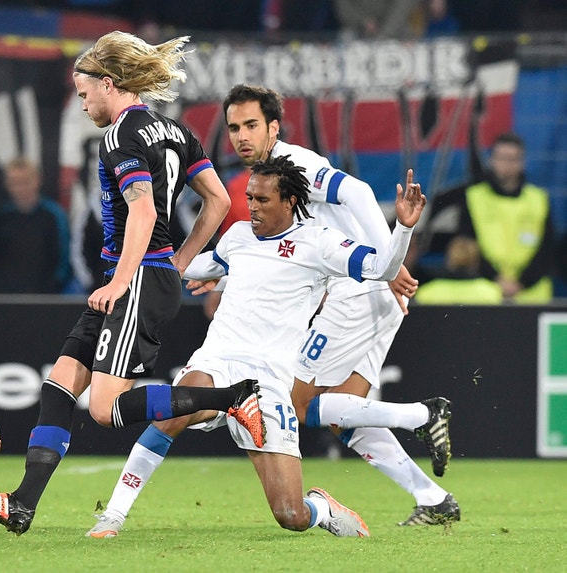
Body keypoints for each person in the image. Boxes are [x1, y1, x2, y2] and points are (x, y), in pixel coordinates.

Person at [88, 84, 457, 538]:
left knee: (291, 513)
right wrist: (143, 265)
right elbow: (203, 266)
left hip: (280, 370)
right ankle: (113, 515)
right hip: (221, 361)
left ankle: (327, 503)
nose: (252, 208)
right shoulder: (239, 235)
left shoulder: (318, 237)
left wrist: (400, 231)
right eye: (249, 199)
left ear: (290, 200)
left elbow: (375, 253)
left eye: (261, 201)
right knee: (172, 413)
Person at [0, 31, 271, 536]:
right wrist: (178, 261)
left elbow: (143, 211)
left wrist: (126, 278)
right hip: (145, 275)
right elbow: (216, 200)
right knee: (59, 385)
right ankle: (21, 504)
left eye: (84, 93)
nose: (83, 104)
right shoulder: (176, 131)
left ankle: (232, 399)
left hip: (135, 280)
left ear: (108, 84)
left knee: (105, 409)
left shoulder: (120, 136)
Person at [425, 133, 555, 304]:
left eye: (513, 159)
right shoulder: (474, 197)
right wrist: (496, 279)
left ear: (522, 162)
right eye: (502, 158)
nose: (507, 164)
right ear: (491, 160)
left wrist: (523, 282)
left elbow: (547, 248)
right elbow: (467, 245)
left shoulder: (538, 199)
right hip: (485, 291)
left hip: (532, 294)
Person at [0, 157, 72, 293]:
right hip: (3, 295)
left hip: (44, 296)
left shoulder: (54, 215)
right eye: (14, 182)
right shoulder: (1, 217)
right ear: (6, 183)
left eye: (24, 182)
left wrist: (54, 288)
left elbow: (63, 258)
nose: (19, 188)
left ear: (37, 181)